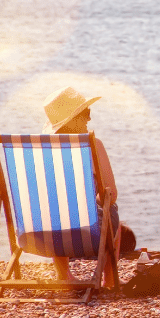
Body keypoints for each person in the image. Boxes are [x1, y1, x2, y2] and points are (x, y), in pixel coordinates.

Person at [42, 86, 126, 286]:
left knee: (54, 209)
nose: (89, 119)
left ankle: (64, 276)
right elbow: (111, 195)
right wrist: (98, 195)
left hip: (39, 234)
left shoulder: (39, 150)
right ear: (73, 119)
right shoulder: (92, 146)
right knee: (111, 209)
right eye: (85, 113)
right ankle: (110, 279)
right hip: (85, 234)